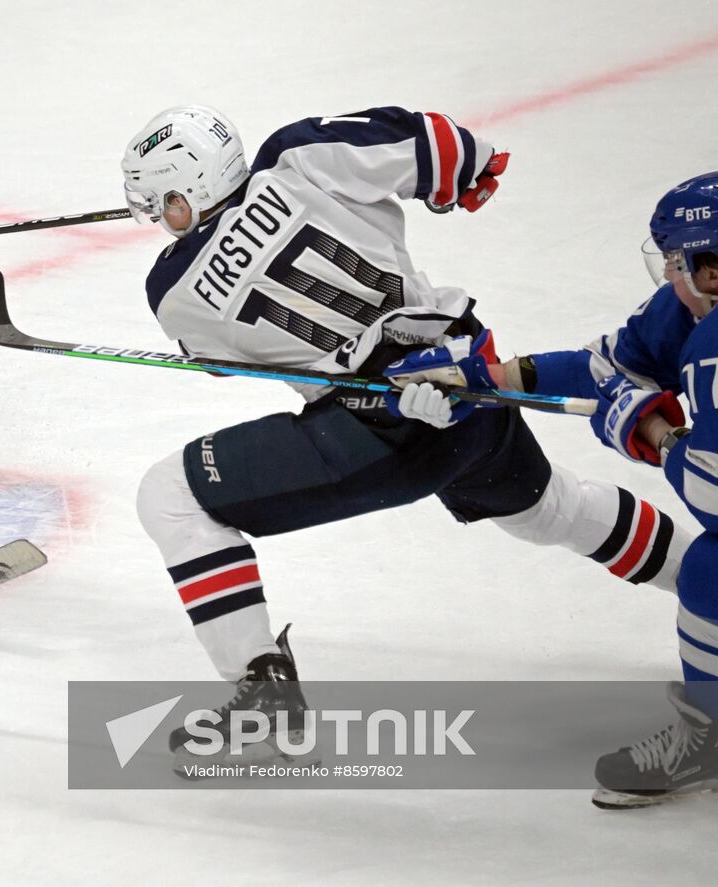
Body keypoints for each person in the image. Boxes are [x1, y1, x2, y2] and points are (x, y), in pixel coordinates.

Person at [120, 105, 693, 763]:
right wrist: (465, 174)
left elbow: (218, 359)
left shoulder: (170, 290)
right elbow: (445, 148)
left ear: (178, 196)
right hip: (470, 382)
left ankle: (261, 691)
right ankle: (702, 577)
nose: (158, 221)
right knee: (551, 509)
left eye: (158, 206)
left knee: (171, 494)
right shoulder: (300, 154)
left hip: (379, 435)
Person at [471, 173, 718, 807]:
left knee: (712, 572)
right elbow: (610, 366)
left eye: (676, 263)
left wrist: (657, 435)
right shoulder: (695, 314)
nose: (669, 278)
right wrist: (488, 378)